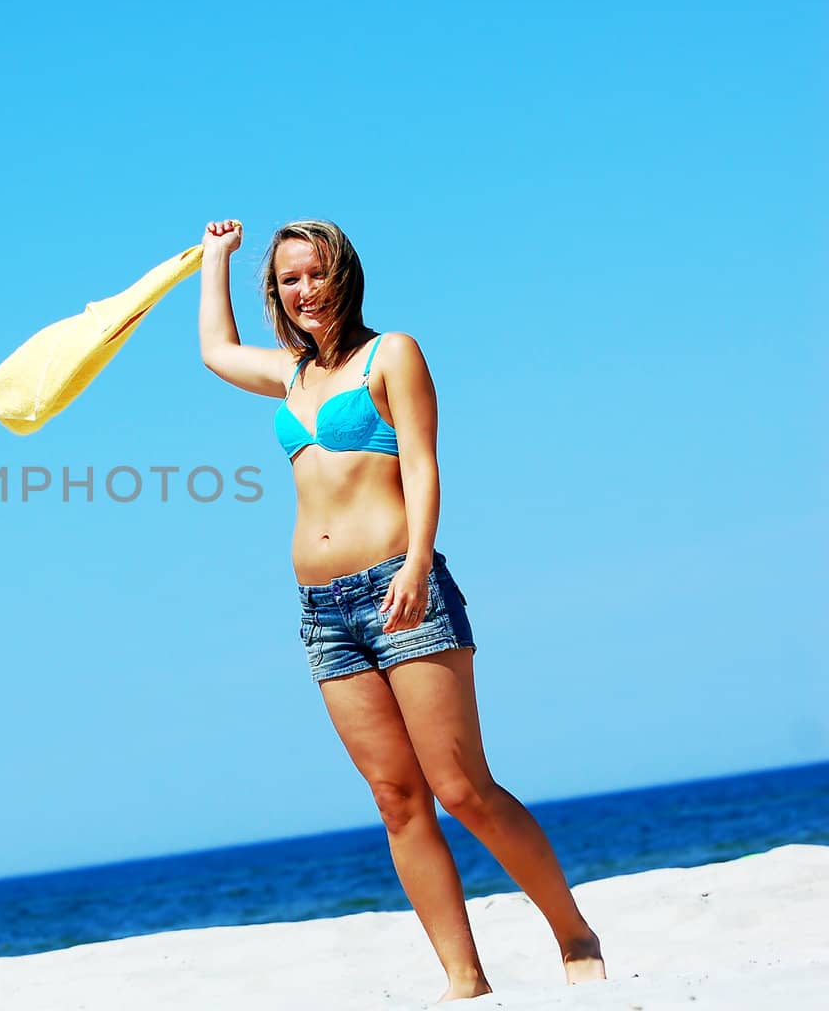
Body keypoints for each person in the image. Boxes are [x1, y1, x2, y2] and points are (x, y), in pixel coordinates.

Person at [197, 218, 607, 1003]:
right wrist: (215, 258)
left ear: (343, 274)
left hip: (399, 584)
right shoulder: (289, 373)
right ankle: (465, 977)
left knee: (461, 788)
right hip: (323, 610)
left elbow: (421, 463)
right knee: (397, 799)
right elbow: (216, 350)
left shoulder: (393, 354)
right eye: (289, 279)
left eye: (316, 273)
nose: (305, 290)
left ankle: (573, 932)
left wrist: (418, 563)